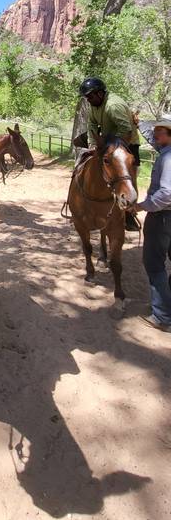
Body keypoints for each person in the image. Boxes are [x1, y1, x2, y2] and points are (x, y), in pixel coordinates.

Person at [78, 77, 141, 231]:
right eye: (86, 97)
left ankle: (129, 213)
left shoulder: (113, 106)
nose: (88, 99)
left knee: (127, 176)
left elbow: (126, 130)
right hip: (106, 142)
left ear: (100, 93)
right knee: (86, 156)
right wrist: (94, 143)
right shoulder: (95, 104)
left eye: (90, 96)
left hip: (127, 143)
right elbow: (92, 124)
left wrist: (110, 145)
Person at [134, 115, 171, 332]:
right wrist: (139, 124)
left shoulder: (167, 159)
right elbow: (151, 139)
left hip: (162, 217)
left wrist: (143, 206)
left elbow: (167, 193)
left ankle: (163, 317)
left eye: (160, 132)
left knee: (154, 263)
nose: (155, 135)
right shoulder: (165, 152)